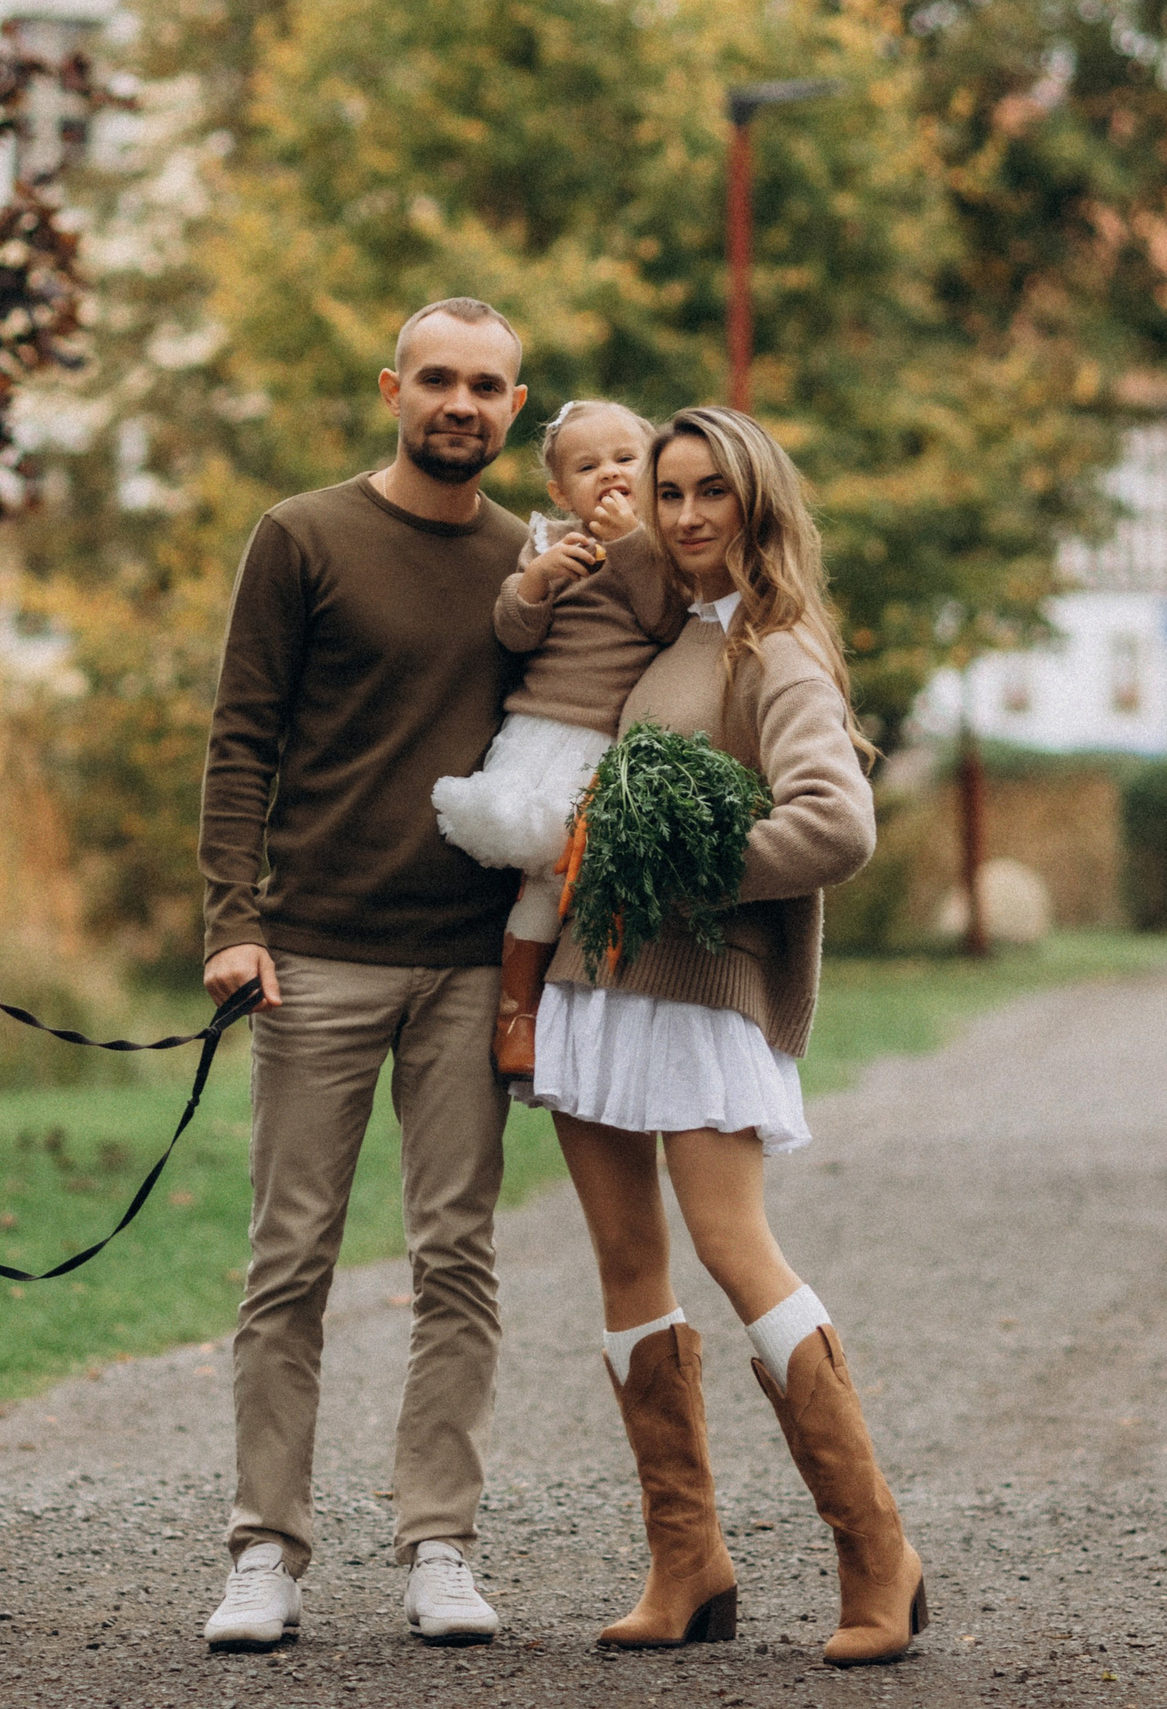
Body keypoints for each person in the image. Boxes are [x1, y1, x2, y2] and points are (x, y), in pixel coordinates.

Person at [515, 405, 922, 1666]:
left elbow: (835, 826)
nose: (685, 515)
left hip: (696, 993)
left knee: (737, 1250)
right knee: (627, 1269)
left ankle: (876, 1552)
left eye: (710, 494)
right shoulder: (665, 625)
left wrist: (682, 871)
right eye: (671, 489)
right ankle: (686, 1560)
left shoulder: (774, 647)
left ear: (756, 504)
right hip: (596, 987)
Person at [195, 297, 527, 1651]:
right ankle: (265, 1548)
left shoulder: (534, 565)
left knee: (459, 1256)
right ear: (394, 387)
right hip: (315, 954)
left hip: (469, 964)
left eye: (488, 385)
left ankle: (438, 1542)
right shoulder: (303, 536)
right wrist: (233, 915)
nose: (460, 402)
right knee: (291, 1260)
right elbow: (240, 739)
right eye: (437, 378)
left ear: (516, 406)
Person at [429, 398, 679, 1078]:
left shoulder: (660, 545)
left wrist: (630, 542)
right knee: (538, 880)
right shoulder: (545, 541)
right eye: (587, 465)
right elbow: (514, 632)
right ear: (559, 490)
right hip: (541, 730)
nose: (609, 474)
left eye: (626, 458)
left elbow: (662, 619)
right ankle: (518, 1014)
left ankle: (598, 1023)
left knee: (587, 884)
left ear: (654, 467)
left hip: (607, 742)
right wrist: (535, 580)